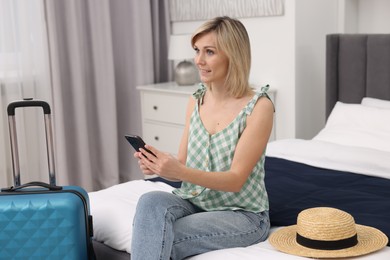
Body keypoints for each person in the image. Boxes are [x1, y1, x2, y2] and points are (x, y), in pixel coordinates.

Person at [131, 16, 274, 260]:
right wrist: (159, 166)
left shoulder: (259, 107)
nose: (199, 60)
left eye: (209, 52)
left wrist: (179, 171)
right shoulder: (195, 100)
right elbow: (184, 165)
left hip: (241, 215)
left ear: (233, 55)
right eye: (197, 51)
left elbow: (235, 180)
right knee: (150, 202)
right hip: (195, 202)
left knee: (158, 235)